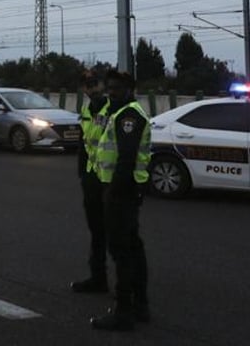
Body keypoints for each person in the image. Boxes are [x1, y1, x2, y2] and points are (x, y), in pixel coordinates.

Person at [90, 69, 151, 332]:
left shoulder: (128, 115)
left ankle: (124, 311)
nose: (110, 93)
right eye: (109, 88)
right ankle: (140, 306)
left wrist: (113, 191)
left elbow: (126, 158)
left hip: (120, 192)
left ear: (129, 90)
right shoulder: (119, 112)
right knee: (133, 248)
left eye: (116, 89)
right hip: (122, 190)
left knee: (122, 251)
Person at [71, 67, 112, 294]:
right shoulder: (87, 110)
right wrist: (83, 175)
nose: (92, 88)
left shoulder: (113, 108)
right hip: (92, 179)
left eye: (95, 83)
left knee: (117, 236)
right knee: (97, 232)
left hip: (112, 181)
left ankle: (130, 292)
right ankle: (98, 278)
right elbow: (84, 146)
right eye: (87, 84)